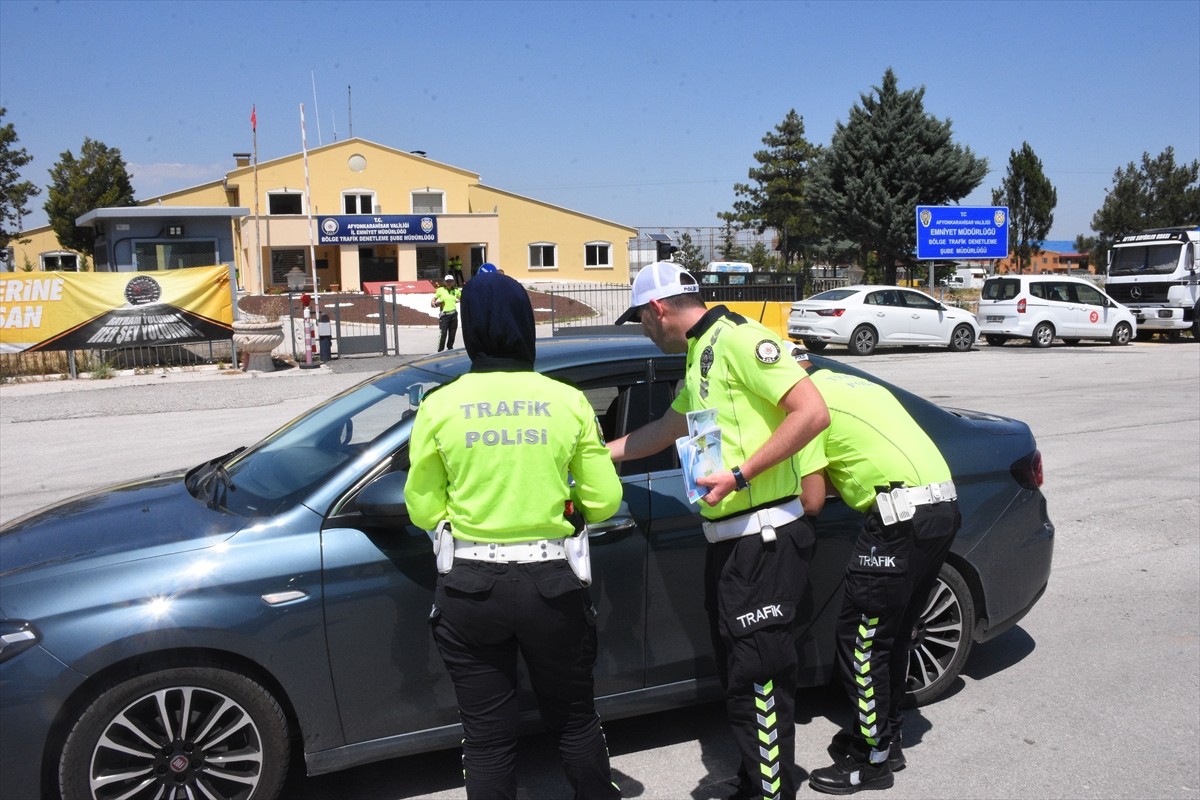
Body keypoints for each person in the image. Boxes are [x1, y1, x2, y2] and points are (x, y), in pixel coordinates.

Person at [606, 262, 830, 800]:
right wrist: (589, 454)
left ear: (657, 309)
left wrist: (739, 474)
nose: (641, 328)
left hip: (764, 539)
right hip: (732, 543)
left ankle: (771, 792)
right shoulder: (699, 355)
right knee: (741, 678)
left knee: (760, 679)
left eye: (639, 318)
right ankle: (758, 783)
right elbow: (664, 430)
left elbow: (813, 412)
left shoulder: (741, 340)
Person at [405, 272, 624, 800]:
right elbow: (603, 501)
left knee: (485, 737)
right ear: (526, 326)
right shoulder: (566, 401)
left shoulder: (440, 404)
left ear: (470, 330)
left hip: (470, 586)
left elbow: (421, 505)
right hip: (551, 584)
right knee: (574, 719)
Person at [789, 347, 961, 795]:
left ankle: (871, 763)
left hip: (896, 521)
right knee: (893, 635)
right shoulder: (852, 383)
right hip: (942, 510)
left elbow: (809, 501)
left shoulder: (804, 407)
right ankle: (888, 739)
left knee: (861, 643)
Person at [432, 274, 462, 351]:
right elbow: (433, 300)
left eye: (451, 281)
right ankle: (440, 350)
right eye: (447, 281)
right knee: (443, 334)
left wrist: (459, 300)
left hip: (453, 315)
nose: (449, 282)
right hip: (444, 316)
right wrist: (434, 303)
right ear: (444, 282)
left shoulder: (456, 290)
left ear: (453, 282)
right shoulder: (440, 290)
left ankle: (450, 348)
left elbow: (462, 298)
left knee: (452, 333)